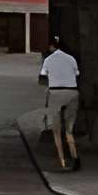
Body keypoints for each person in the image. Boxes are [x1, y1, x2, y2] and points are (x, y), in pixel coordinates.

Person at [37, 39, 82, 171]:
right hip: (72, 93)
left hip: (56, 93)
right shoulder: (71, 59)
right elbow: (76, 74)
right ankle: (75, 158)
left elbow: (42, 77)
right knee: (69, 130)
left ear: (52, 47)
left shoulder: (48, 60)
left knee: (56, 131)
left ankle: (62, 162)